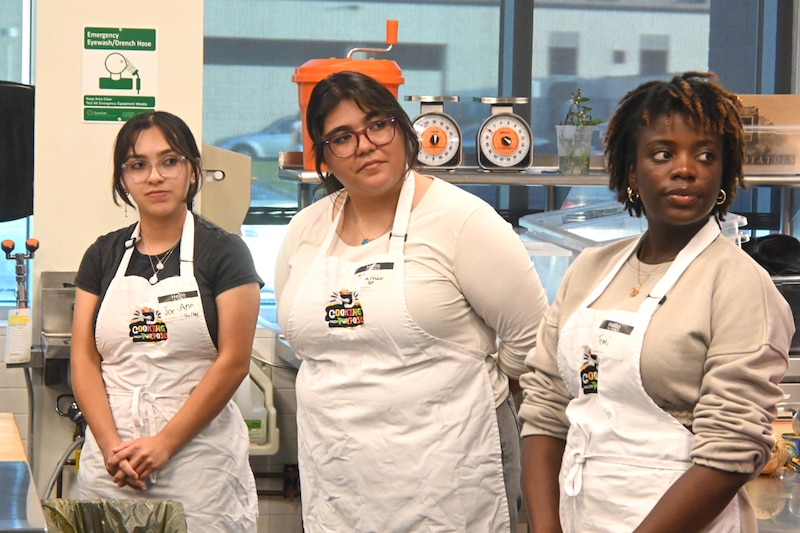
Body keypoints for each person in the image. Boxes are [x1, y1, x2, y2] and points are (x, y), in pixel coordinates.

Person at [518, 71, 794, 533]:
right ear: (631, 170)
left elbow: (730, 450)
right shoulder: (589, 270)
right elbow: (545, 409)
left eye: (706, 155)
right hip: (580, 517)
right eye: (663, 154)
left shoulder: (739, 284)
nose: (685, 168)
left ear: (724, 174)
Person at [274, 71, 549, 532]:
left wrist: (466, 390)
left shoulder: (463, 221)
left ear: (402, 129)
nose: (364, 145)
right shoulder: (306, 230)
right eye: (342, 137)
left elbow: (533, 342)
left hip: (448, 478)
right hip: (340, 475)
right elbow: (303, 343)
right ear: (324, 157)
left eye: (377, 125)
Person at [71, 111, 262, 532]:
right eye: (138, 165)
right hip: (113, 464)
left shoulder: (225, 252)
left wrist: (164, 445)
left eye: (169, 160)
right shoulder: (102, 255)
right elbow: (84, 358)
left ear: (193, 170)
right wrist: (109, 446)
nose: (154, 176)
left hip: (197, 466)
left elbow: (234, 361)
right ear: (123, 180)